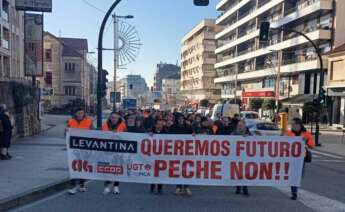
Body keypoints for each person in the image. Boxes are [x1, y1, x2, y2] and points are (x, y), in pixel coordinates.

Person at [285, 118, 315, 200]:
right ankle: (294, 192)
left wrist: (306, 141)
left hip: (301, 158)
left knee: (298, 176)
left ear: (299, 125)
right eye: (291, 124)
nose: (291, 126)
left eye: (293, 124)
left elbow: (312, 146)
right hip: (290, 158)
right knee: (293, 175)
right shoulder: (288, 133)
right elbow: (283, 145)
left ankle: (294, 189)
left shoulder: (306, 134)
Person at [67, 107, 93, 195]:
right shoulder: (71, 121)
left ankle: (82, 185)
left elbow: (93, 133)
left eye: (81, 113)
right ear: (76, 114)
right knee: (73, 166)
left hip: (85, 147)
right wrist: (66, 131)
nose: (80, 115)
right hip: (73, 148)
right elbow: (66, 134)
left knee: (82, 166)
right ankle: (73, 186)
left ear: (84, 113)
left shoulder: (89, 121)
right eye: (78, 113)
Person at [102, 112, 127, 195]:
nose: (114, 119)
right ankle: (107, 186)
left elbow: (128, 136)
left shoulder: (123, 125)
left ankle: (116, 186)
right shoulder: (105, 125)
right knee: (107, 168)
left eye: (116, 118)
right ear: (110, 118)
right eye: (112, 117)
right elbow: (100, 135)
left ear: (118, 118)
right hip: (107, 150)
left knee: (117, 168)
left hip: (119, 150)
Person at [170, 113, 193, 196]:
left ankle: (186, 187)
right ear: (177, 120)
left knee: (186, 169)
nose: (180, 120)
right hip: (176, 152)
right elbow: (167, 137)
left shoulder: (188, 127)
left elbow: (193, 135)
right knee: (177, 169)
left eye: (182, 119)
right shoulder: (173, 127)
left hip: (186, 151)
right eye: (179, 119)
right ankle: (178, 187)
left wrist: (194, 135)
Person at [232, 119, 250, 196]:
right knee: (237, 172)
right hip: (236, 156)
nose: (239, 127)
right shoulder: (234, 134)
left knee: (245, 173)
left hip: (246, 157)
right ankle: (238, 187)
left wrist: (248, 138)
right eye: (238, 125)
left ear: (245, 127)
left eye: (241, 126)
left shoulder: (249, 134)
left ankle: (245, 188)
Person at [149, 119, 166, 195]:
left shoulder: (166, 133)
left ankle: (160, 188)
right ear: (155, 125)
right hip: (153, 156)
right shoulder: (151, 132)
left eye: (161, 124)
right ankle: (152, 187)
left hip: (162, 156)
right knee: (153, 172)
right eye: (158, 124)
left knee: (161, 172)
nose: (160, 126)